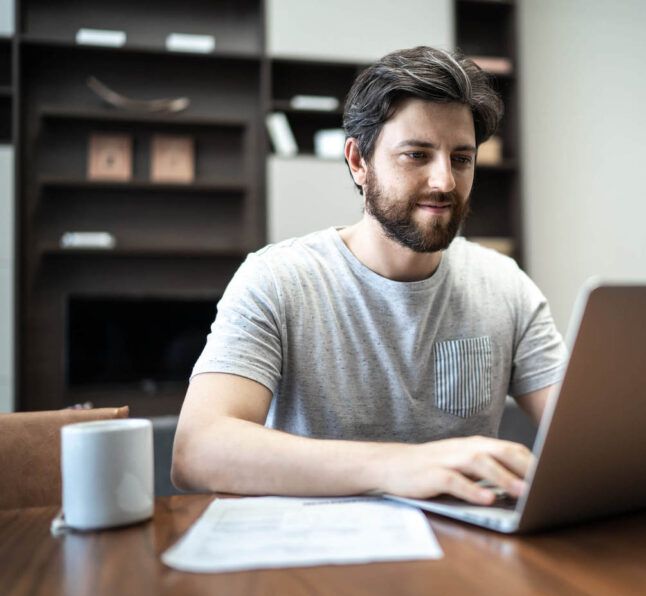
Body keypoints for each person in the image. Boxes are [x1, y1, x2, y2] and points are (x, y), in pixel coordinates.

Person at [171, 46, 566, 506]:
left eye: (461, 158)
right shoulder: (277, 280)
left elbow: (583, 433)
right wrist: (397, 466)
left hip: (467, 554)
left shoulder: (505, 285)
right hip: (316, 560)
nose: (444, 182)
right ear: (359, 162)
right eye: (416, 155)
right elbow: (196, 451)